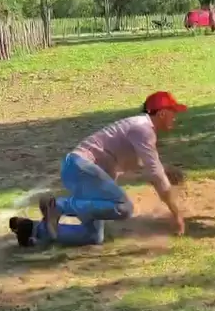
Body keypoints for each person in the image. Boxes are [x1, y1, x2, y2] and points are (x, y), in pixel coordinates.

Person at [10, 91, 187, 248]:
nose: (175, 117)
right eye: (173, 112)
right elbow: (155, 173)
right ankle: (58, 206)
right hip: (81, 168)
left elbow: (144, 167)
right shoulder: (143, 129)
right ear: (162, 113)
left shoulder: (139, 128)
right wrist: (177, 214)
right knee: (124, 207)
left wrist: (164, 170)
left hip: (81, 174)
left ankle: (31, 229)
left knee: (93, 236)